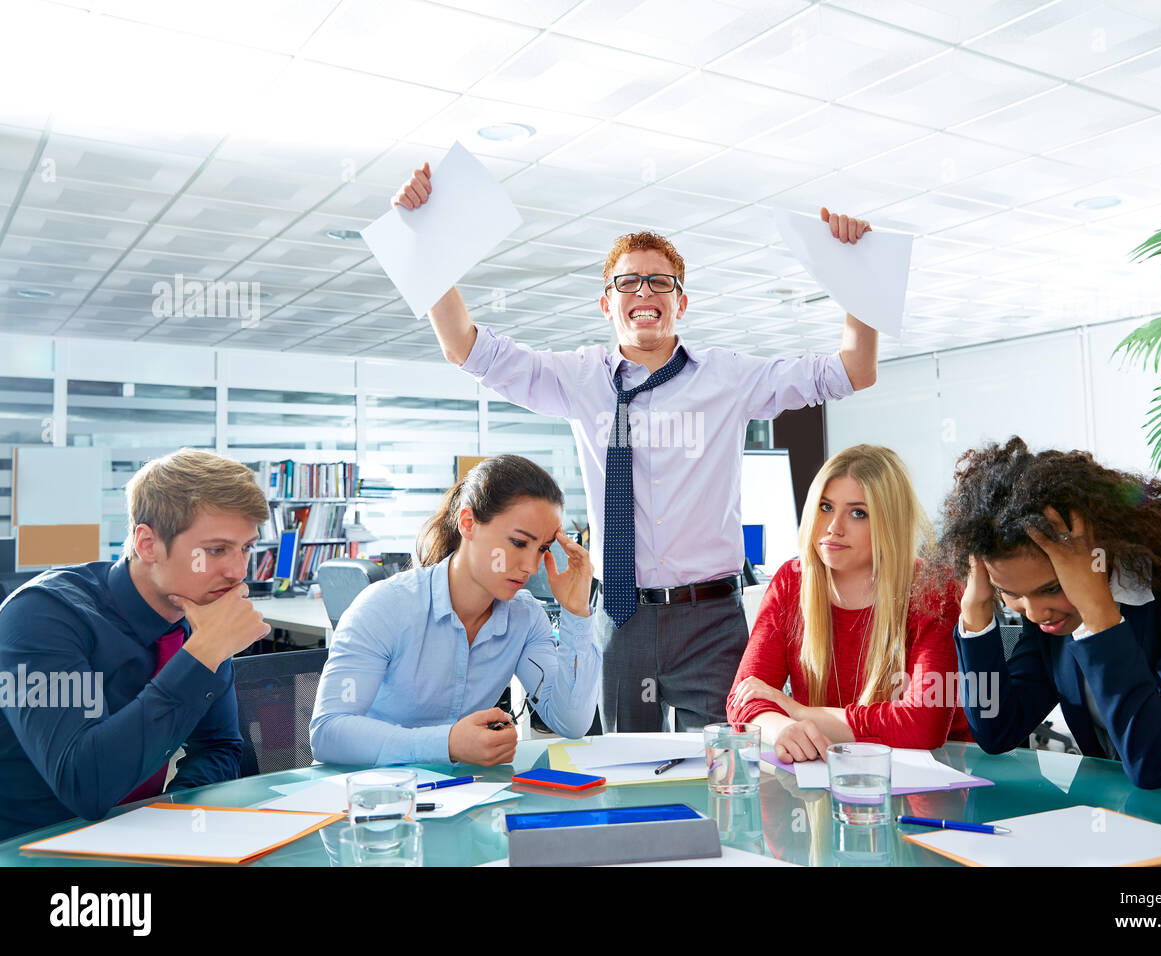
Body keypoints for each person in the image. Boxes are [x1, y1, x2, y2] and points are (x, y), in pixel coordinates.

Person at [394, 163, 879, 733]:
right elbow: (465, 348)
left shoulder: (728, 377)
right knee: (624, 778)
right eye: (628, 281)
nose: (643, 291)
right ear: (607, 304)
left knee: (724, 773)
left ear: (682, 302)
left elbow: (854, 369)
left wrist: (857, 278)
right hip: (620, 617)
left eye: (659, 282)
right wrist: (425, 241)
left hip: (712, 619)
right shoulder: (578, 378)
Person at [934, 436, 1161, 796]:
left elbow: (1158, 763)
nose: (1034, 613)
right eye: (1010, 593)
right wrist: (976, 612)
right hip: (1145, 818)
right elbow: (997, 732)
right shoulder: (1047, 615)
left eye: (1049, 588)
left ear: (1098, 551)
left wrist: (1096, 611)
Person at [0, 448, 271, 840]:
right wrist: (201, 656)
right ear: (147, 544)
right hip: (31, 844)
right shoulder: (44, 617)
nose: (238, 571)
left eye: (245, 547)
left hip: (134, 843)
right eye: (215, 550)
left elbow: (219, 747)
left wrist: (171, 824)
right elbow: (85, 785)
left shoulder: (200, 615)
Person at [309, 455, 598, 767]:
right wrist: (447, 744)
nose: (530, 566)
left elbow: (571, 722)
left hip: (458, 794)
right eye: (517, 542)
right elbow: (328, 732)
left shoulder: (525, 618)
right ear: (468, 523)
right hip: (369, 795)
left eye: (541, 548)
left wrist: (577, 613)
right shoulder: (384, 606)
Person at [727, 445, 969, 763]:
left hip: (936, 772)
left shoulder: (935, 590)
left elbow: (922, 728)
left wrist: (800, 712)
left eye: (858, 513)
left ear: (890, 522)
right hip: (827, 766)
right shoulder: (791, 581)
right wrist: (783, 728)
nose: (832, 527)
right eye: (825, 507)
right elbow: (745, 697)